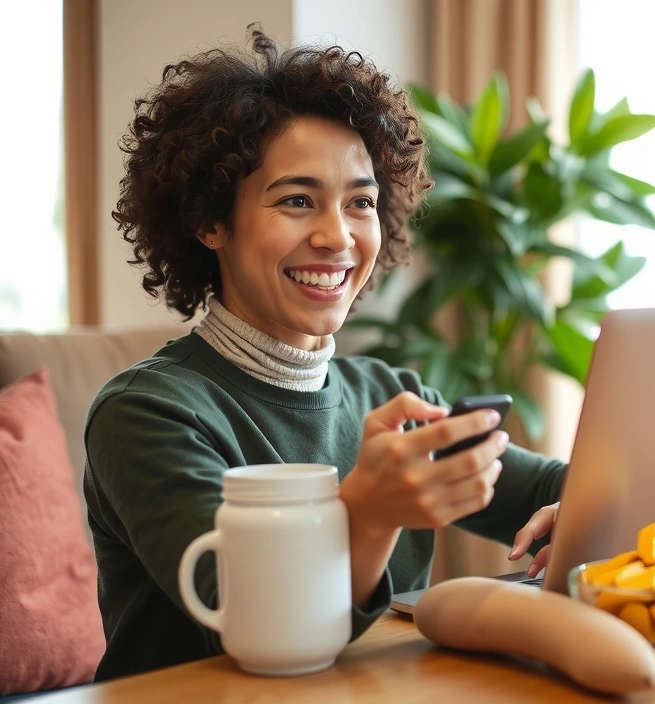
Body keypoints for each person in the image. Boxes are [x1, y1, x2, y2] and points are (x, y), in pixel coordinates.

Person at [83, 26, 565, 681]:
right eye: (297, 200)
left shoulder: (394, 400)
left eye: (360, 203)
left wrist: (578, 510)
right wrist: (367, 512)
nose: (337, 237)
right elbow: (254, 624)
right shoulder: (148, 413)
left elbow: (550, 488)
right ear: (209, 221)